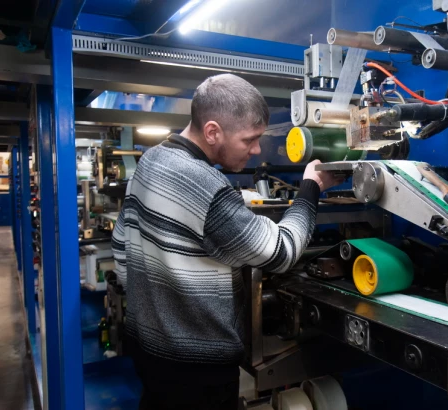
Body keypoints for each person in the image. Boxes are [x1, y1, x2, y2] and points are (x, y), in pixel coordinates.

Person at [112, 73, 341, 410]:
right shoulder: (206, 185)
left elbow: (121, 253)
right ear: (213, 132)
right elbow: (282, 250)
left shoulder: (151, 161)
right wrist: (311, 188)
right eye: (250, 139)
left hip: (148, 352)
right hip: (197, 371)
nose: (257, 149)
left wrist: (161, 307)